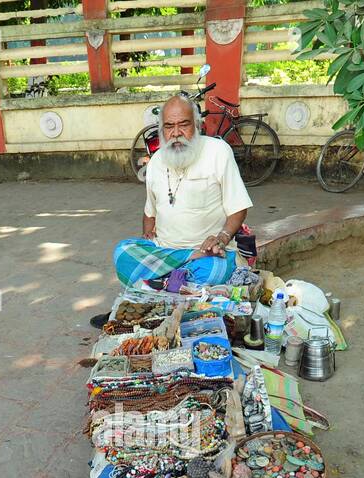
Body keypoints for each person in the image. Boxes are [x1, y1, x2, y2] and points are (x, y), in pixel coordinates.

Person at [93, 94, 253, 326]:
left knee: (214, 271)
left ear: (197, 126)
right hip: (167, 252)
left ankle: (151, 297)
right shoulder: (157, 161)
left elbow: (238, 208)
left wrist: (222, 237)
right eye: (169, 126)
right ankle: (174, 292)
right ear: (161, 130)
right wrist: (148, 238)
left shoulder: (219, 152)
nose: (176, 133)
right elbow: (150, 213)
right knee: (123, 253)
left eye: (183, 125)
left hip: (209, 254)